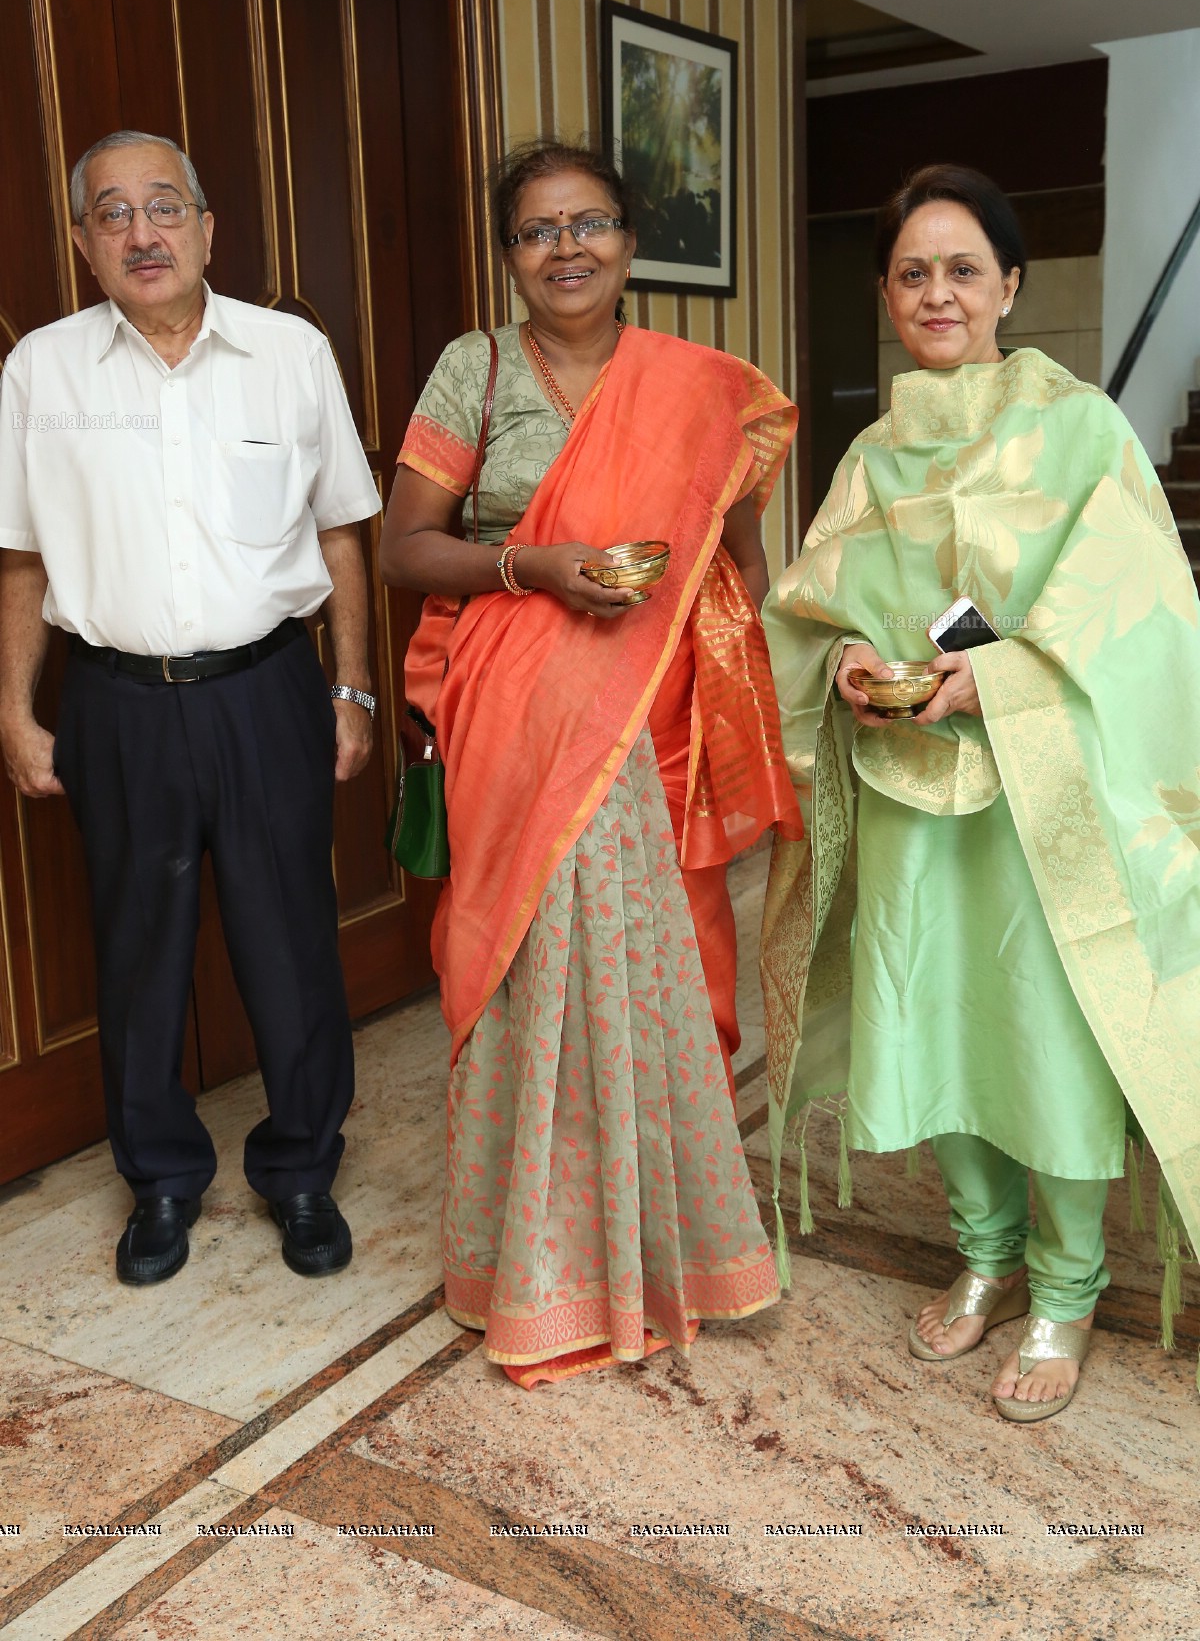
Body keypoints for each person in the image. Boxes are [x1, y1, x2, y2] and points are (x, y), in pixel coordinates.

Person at [762, 163, 1200, 1421]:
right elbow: (810, 603)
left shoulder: (1084, 432)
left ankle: (1066, 1288)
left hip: (1038, 800)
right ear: (887, 295)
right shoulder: (874, 448)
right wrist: (843, 655)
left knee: (1044, 1036)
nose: (937, 294)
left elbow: (1147, 624)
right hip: (907, 790)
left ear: (1012, 284)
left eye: (963, 269)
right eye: (913, 273)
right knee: (937, 1019)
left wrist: (997, 679)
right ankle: (987, 1254)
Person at [380, 139, 802, 1387]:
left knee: (655, 954)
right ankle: (536, 1259)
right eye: (537, 231)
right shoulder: (479, 367)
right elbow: (406, 545)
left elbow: (734, 565)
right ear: (508, 254)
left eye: (592, 224)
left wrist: (740, 696)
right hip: (511, 695)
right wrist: (536, 567)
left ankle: (668, 1241)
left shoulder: (698, 386)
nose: (567, 250)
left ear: (630, 241)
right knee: (524, 961)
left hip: (652, 705)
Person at [0, 131, 381, 1286]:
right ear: (82, 244)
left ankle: (302, 1168)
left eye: (164, 206)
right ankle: (161, 1180)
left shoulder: (288, 352)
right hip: (115, 702)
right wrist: (14, 711)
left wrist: (353, 684)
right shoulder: (41, 373)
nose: (141, 231)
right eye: (111, 214)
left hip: (267, 689)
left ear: (210, 227)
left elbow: (341, 531)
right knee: (137, 953)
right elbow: (19, 559)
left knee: (290, 945)